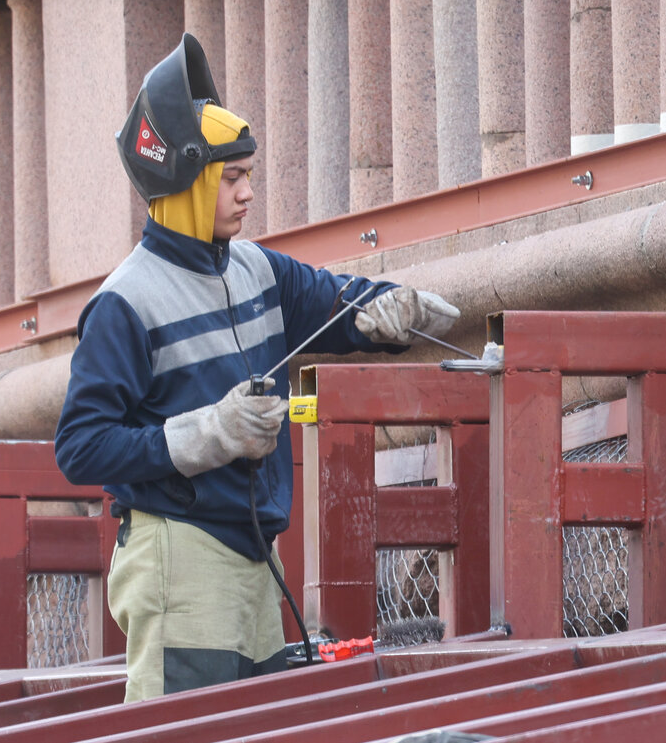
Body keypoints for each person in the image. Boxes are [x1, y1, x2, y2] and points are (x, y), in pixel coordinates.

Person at [54, 34, 459, 702]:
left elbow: (331, 300)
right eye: (232, 178)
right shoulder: (126, 302)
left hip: (251, 558)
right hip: (178, 559)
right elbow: (80, 446)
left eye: (247, 174)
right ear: (186, 180)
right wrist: (208, 432)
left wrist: (390, 308)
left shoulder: (255, 267)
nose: (247, 193)